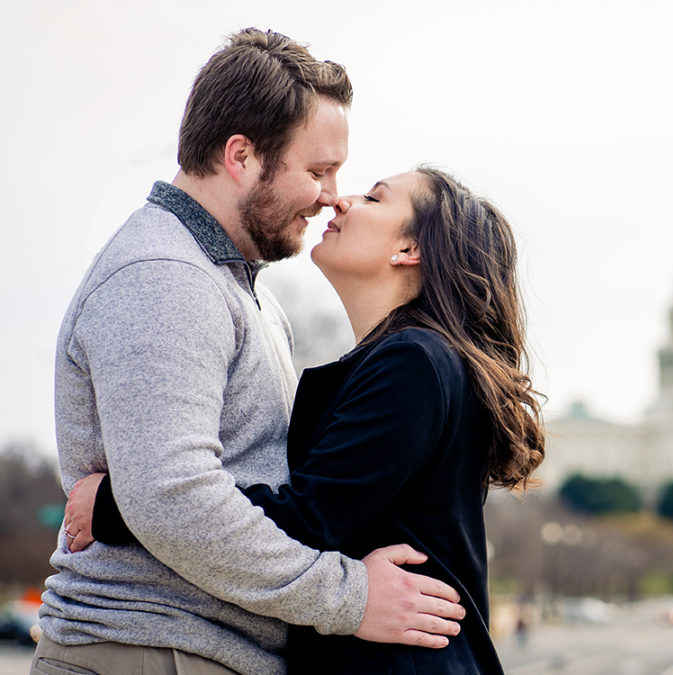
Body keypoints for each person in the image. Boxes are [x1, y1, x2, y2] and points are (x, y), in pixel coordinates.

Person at [35, 29, 463, 675]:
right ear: (241, 156)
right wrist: (349, 597)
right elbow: (175, 499)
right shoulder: (164, 276)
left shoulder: (239, 289)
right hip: (157, 649)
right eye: (317, 171)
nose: (331, 194)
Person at [66, 167, 546, 673]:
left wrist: (121, 506)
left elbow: (308, 522)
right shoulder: (414, 360)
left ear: (408, 249)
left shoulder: (414, 362)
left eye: (374, 198)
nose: (341, 201)